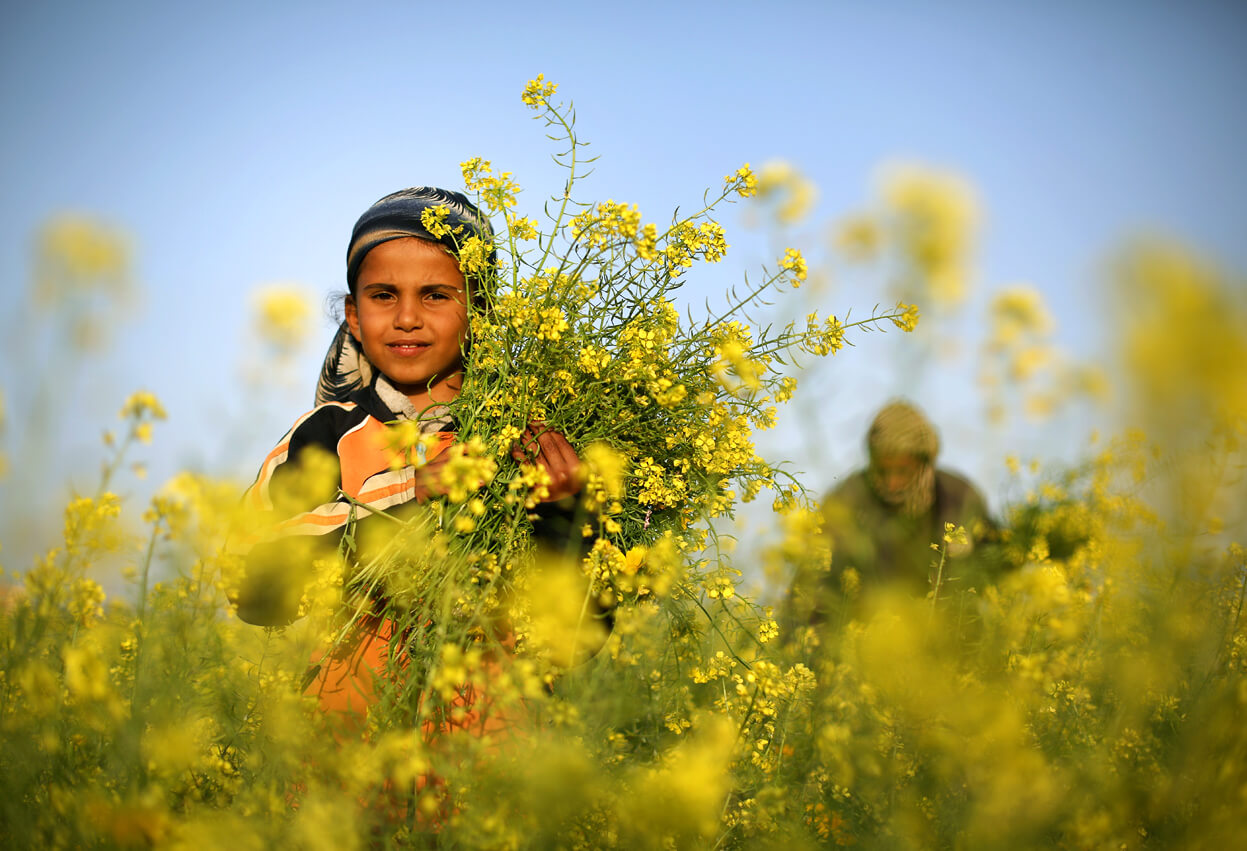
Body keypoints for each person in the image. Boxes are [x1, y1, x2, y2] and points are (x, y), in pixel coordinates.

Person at [229, 187, 594, 731]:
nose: (406, 318)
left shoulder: (527, 441)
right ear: (353, 316)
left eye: (435, 295)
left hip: (491, 777)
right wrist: (406, 492)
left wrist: (564, 514)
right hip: (342, 766)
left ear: (481, 313)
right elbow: (250, 585)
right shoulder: (327, 434)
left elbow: (575, 639)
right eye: (382, 295)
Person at [789, 400, 996, 623]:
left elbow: (997, 568)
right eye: (882, 471)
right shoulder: (845, 501)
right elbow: (810, 589)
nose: (892, 484)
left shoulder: (959, 497)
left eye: (902, 471)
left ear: (925, 462)